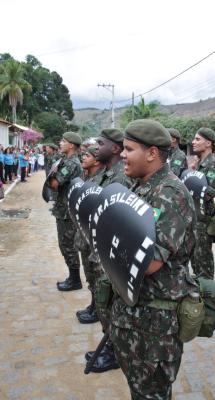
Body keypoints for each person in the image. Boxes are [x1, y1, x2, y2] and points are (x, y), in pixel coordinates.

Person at [110, 119, 197, 399]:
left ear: (151, 153)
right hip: (134, 315)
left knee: (152, 393)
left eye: (129, 149)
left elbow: (150, 263)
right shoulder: (140, 188)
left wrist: (111, 241)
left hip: (155, 324)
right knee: (139, 390)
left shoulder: (170, 194)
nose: (122, 155)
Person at [84, 128, 132, 373]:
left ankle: (113, 352)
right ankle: (110, 346)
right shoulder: (104, 173)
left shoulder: (120, 179)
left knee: (109, 303)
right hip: (98, 249)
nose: (96, 147)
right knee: (103, 302)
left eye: (101, 143)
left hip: (109, 255)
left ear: (115, 148)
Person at [48, 131, 84, 291]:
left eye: (63, 141)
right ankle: (72, 277)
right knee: (65, 244)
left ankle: (75, 280)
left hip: (67, 211)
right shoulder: (65, 160)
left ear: (71, 145)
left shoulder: (71, 163)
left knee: (67, 244)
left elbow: (55, 183)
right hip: (63, 209)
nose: (60, 143)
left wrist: (51, 175)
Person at [75, 145, 104, 324]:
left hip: (94, 236)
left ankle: (97, 310)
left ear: (97, 160)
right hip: (85, 234)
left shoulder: (101, 179)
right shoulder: (87, 176)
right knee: (89, 275)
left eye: (87, 155)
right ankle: (94, 305)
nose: (83, 157)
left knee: (96, 276)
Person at [190, 127, 215, 279]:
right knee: (195, 263)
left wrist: (191, 183)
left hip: (203, 221)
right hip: (195, 219)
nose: (193, 142)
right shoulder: (200, 164)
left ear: (208, 143)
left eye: (197, 139)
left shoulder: (212, 165)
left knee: (203, 266)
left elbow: (208, 193)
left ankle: (209, 299)